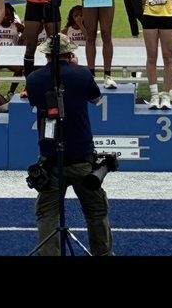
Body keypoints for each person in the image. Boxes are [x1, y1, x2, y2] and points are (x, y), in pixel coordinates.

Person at [26, 33, 114, 257]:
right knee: (95, 211)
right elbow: (96, 99)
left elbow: (35, 102)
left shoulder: (34, 79)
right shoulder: (81, 74)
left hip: (50, 160)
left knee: (47, 214)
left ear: (46, 54)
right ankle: (102, 254)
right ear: (70, 53)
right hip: (82, 158)